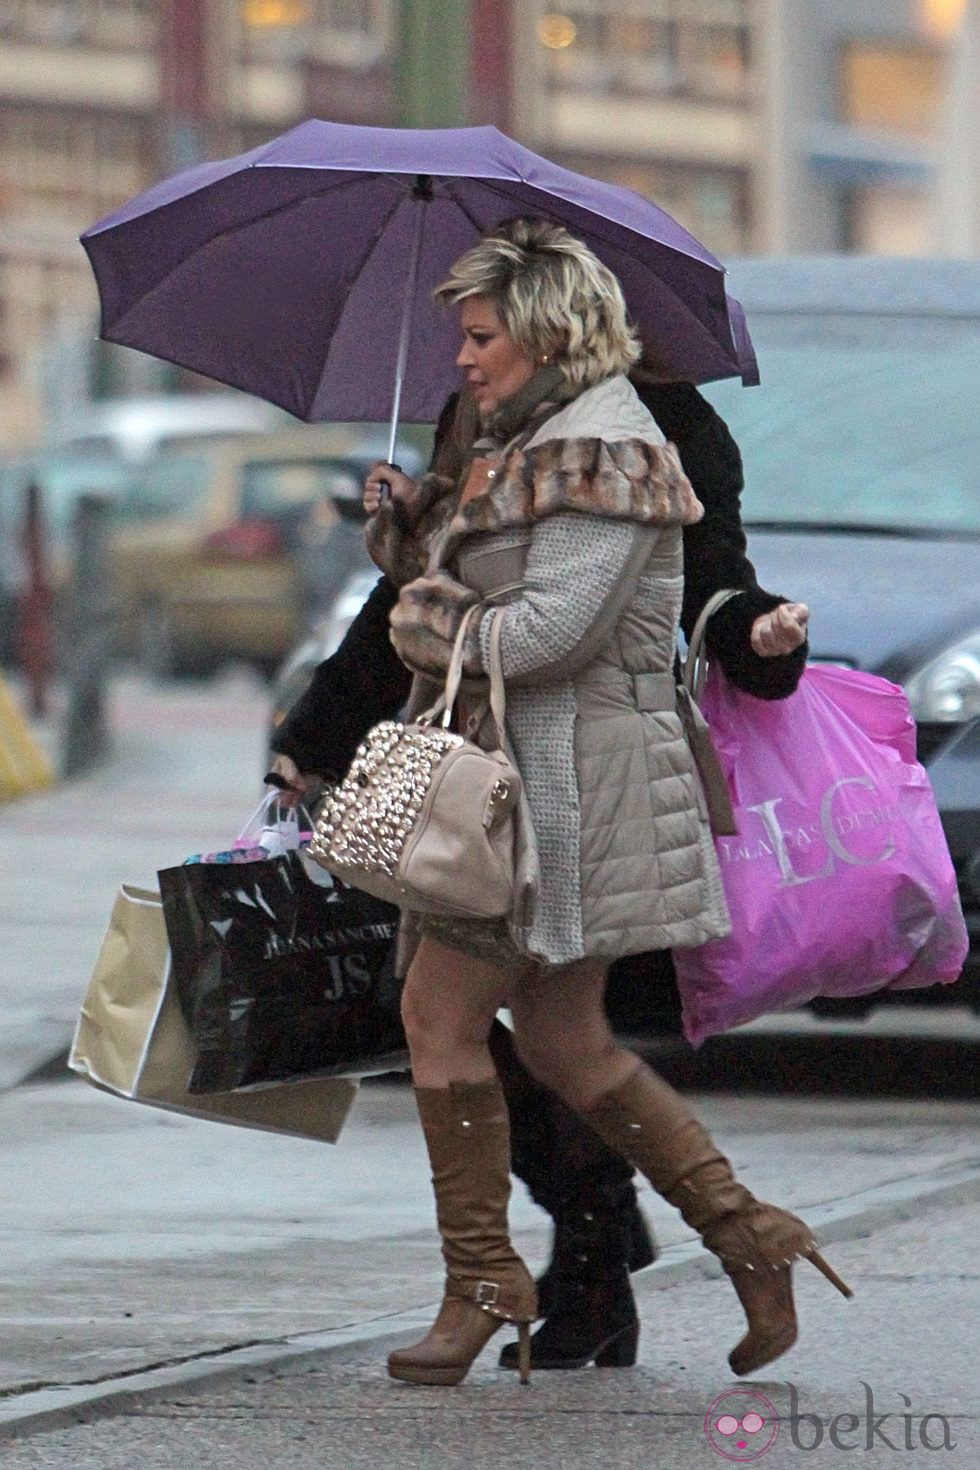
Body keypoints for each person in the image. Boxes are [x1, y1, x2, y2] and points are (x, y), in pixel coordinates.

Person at [274, 217, 849, 1388]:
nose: (464, 358)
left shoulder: (608, 453)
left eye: (481, 335)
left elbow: (548, 630)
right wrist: (413, 532)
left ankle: (482, 1284)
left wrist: (421, 616)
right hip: (531, 784)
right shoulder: (532, 436)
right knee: (563, 1040)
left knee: (439, 1021)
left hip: (550, 794)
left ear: (544, 334)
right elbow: (496, 581)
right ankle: (751, 1238)